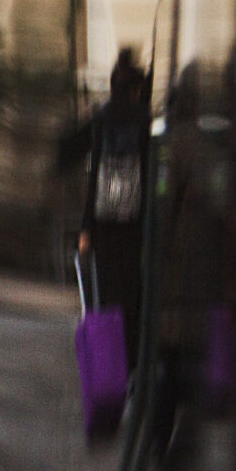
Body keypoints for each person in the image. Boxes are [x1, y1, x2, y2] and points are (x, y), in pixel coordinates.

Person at [78, 48, 152, 327]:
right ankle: (128, 349)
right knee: (129, 285)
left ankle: (108, 348)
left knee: (105, 287)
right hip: (132, 218)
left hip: (104, 214)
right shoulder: (144, 121)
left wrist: (86, 226)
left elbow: (95, 171)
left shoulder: (103, 117)